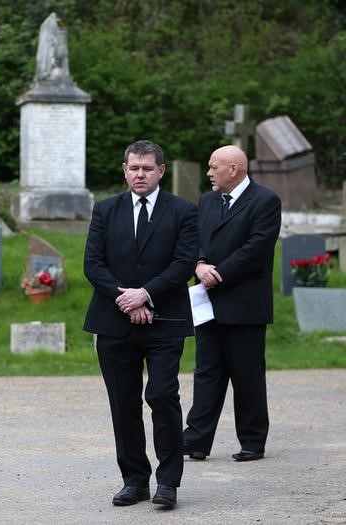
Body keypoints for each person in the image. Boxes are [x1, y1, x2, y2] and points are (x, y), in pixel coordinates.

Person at [83, 140, 198, 508]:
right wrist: (126, 299)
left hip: (164, 321)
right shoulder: (105, 210)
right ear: (124, 169)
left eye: (147, 168)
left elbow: (183, 263)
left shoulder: (183, 211)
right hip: (115, 322)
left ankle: (168, 483)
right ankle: (134, 480)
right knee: (124, 403)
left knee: (162, 396)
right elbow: (93, 265)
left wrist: (146, 294)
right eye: (134, 168)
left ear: (161, 171)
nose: (140, 175)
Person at [182, 145, 281, 462]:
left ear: (234, 169)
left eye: (214, 167)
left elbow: (257, 249)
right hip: (208, 302)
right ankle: (196, 440)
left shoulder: (265, 201)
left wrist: (220, 274)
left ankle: (252, 441)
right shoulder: (207, 200)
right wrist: (198, 264)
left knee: (247, 374)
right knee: (207, 372)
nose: (209, 173)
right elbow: (195, 239)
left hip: (244, 304)